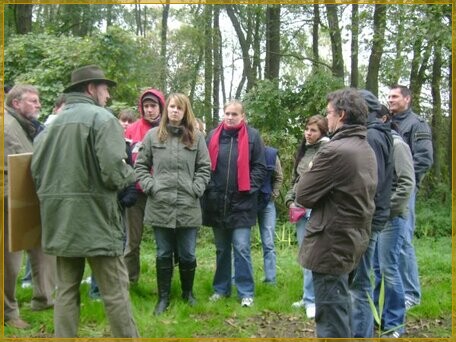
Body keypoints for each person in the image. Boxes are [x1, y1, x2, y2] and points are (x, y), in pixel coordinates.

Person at [31, 65, 139, 337]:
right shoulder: (103, 120)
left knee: (66, 291)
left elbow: (34, 173)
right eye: (105, 89)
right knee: (115, 292)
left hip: (61, 221)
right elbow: (114, 173)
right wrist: (133, 172)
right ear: (91, 89)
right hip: (98, 221)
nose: (108, 96)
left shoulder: (49, 127)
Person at [295, 88, 378, 338]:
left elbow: (303, 195)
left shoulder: (335, 150)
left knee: (331, 320)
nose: (326, 117)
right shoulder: (364, 147)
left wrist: (311, 169)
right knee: (340, 311)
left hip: (331, 242)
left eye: (328, 113)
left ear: (341, 115)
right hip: (350, 239)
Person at [135, 93, 210, 315]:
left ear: (186, 111)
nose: (175, 111)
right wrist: (151, 186)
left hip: (188, 204)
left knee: (188, 254)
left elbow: (205, 168)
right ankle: (163, 297)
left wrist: (196, 189)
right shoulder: (152, 136)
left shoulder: (196, 138)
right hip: (160, 204)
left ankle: (188, 294)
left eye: (179, 108)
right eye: (171, 107)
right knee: (163, 254)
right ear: (166, 110)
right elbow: (140, 166)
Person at [202, 100, 266, 308]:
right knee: (221, 249)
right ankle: (221, 289)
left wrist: (248, 190)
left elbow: (260, 167)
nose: (230, 117)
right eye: (227, 113)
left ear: (243, 116)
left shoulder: (253, 137)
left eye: (234, 114)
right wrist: (210, 188)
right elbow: (203, 166)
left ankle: (246, 291)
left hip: (242, 203)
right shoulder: (212, 136)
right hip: (216, 202)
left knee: (241, 248)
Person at [3, 84, 56, 329]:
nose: (38, 105)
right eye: (33, 101)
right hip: (9, 201)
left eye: (38, 100)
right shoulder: (6, 126)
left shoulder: (28, 126)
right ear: (16, 103)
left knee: (43, 247)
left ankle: (43, 298)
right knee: (9, 257)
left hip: (31, 196)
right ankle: (8, 312)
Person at [350, 90, 394, 338]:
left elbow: (369, 183)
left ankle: (360, 334)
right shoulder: (377, 133)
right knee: (358, 280)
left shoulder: (373, 137)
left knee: (359, 283)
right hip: (371, 217)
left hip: (367, 219)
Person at [388, 85, 433, 310]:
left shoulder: (417, 124)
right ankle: (395, 290)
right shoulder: (387, 122)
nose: (390, 100)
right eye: (388, 96)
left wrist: (401, 176)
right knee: (388, 243)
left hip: (406, 190)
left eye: (394, 96)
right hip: (387, 190)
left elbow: (424, 159)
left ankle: (411, 294)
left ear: (407, 98)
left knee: (404, 241)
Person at [372, 107, 415, 338]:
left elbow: (407, 183)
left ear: (384, 119)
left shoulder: (398, 145)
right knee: (378, 270)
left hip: (393, 218)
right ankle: (379, 319)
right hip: (378, 217)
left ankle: (395, 324)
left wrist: (388, 210)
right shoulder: (381, 144)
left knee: (390, 269)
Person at [285, 114, 329, 319]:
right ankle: (308, 295)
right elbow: (297, 180)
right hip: (300, 209)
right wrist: (290, 201)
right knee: (305, 255)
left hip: (318, 210)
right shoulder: (305, 150)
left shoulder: (327, 150)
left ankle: (314, 300)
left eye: (313, 131)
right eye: (307, 129)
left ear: (322, 133)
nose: (308, 134)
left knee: (315, 256)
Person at [124, 88, 165, 284]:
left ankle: (164, 283)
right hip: (136, 193)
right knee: (132, 242)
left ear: (160, 107)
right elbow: (124, 159)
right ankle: (130, 282)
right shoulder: (132, 129)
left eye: (153, 106)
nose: (149, 110)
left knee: (164, 242)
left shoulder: (167, 128)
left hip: (160, 193)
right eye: (146, 106)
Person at [257, 145, 283, 284]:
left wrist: (273, 195)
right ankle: (238, 278)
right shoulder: (244, 152)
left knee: (268, 242)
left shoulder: (271, 154)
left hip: (267, 203)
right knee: (240, 243)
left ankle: (270, 279)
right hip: (247, 204)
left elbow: (278, 177)